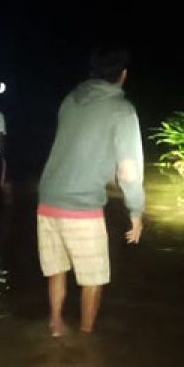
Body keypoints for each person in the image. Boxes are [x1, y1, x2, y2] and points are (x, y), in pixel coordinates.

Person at [36, 45, 144, 336]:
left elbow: (76, 147)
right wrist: (136, 211)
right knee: (93, 279)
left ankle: (56, 324)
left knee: (57, 269)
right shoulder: (122, 111)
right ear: (123, 75)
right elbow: (129, 169)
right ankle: (85, 341)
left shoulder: (70, 101)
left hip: (47, 199)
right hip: (81, 208)